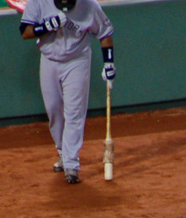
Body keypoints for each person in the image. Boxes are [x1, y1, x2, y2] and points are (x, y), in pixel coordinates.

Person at [19, 0, 115, 185]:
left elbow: (105, 33)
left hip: (77, 60)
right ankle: (64, 153)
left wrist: (109, 63)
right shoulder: (39, 2)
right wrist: (45, 27)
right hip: (49, 60)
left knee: (74, 112)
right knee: (54, 110)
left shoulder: (89, 5)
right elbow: (25, 32)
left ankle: (72, 164)